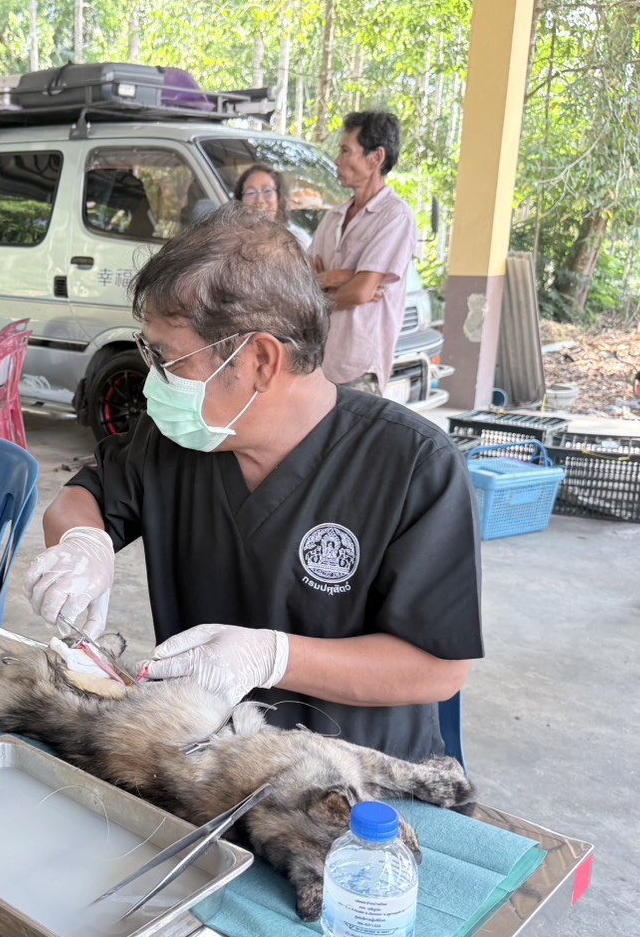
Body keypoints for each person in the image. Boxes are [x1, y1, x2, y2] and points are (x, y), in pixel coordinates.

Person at [25, 204, 481, 761]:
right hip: (203, 758)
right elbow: (83, 497)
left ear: (261, 360)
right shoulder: (179, 440)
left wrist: (272, 657)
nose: (152, 381)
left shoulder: (412, 466)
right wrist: (83, 545)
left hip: (354, 778)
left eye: (168, 359)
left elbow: (438, 668)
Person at [310, 110, 418, 395]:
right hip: (319, 364)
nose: (338, 160)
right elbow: (303, 279)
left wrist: (320, 289)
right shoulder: (334, 216)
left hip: (359, 369)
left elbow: (359, 293)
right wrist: (336, 278)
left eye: (346, 151)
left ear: (376, 158)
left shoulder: (396, 216)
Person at [234, 164, 312, 250]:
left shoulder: (299, 240)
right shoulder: (231, 241)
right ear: (240, 200)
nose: (260, 200)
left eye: (267, 191)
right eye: (251, 193)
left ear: (279, 196)